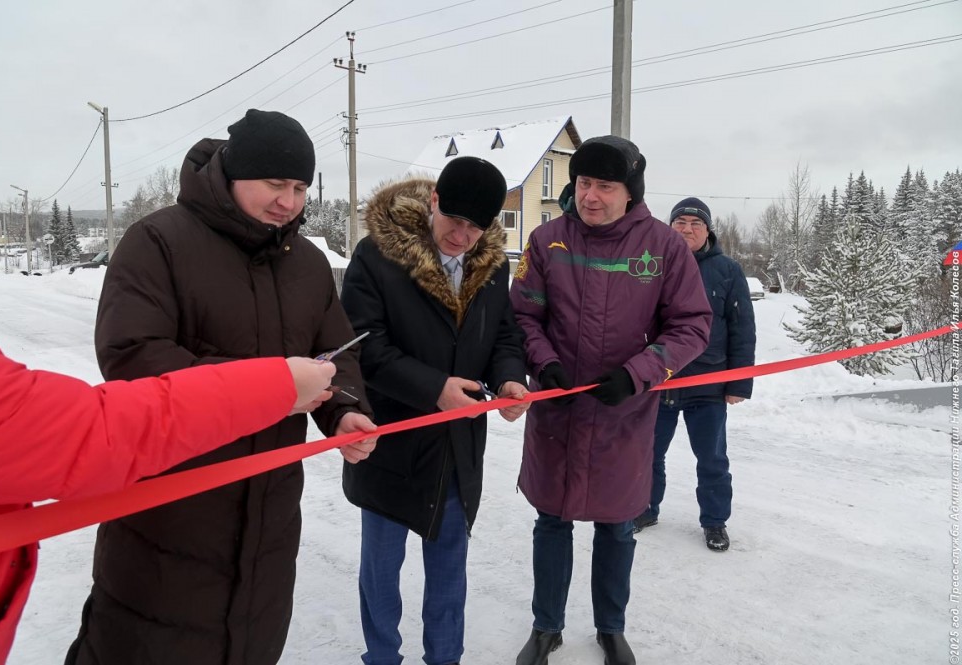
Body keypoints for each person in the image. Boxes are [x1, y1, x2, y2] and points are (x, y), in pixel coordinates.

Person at [65, 109, 378, 665]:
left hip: (270, 520)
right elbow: (133, 356)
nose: (288, 201)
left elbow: (337, 352)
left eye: (300, 187)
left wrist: (344, 412)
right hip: (170, 515)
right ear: (233, 173)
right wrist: (271, 388)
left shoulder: (307, 264)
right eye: (275, 183)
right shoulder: (158, 241)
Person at [0, 291, 338, 665]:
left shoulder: (306, 267)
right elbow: (105, 428)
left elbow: (335, 339)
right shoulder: (155, 251)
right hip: (162, 553)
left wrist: (340, 408)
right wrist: (278, 384)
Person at [509, 136, 712, 665]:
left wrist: (638, 373)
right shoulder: (547, 240)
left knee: (617, 525)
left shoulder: (663, 247)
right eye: (583, 183)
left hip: (624, 413)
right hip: (557, 412)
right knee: (551, 521)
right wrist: (543, 363)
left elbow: (692, 325)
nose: (590, 196)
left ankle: (611, 628)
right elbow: (524, 315)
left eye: (605, 185)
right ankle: (546, 626)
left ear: (630, 192)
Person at [340, 156, 531, 665]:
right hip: (390, 442)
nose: (462, 236)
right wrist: (434, 389)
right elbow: (363, 346)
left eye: (476, 227)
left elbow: (504, 335)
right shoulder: (378, 256)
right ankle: (382, 656)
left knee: (449, 566)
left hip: (456, 447)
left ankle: (445, 658)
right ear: (434, 201)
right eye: (454, 220)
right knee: (382, 569)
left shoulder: (492, 266)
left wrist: (510, 377)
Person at [633, 197, 756, 552]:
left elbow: (742, 329)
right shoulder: (651, 265)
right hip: (660, 382)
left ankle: (715, 522)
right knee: (647, 453)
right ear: (670, 227)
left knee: (712, 459)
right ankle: (644, 509)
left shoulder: (727, 270)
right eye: (680, 223)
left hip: (708, 386)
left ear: (707, 230)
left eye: (695, 224)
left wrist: (738, 383)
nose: (687, 229)